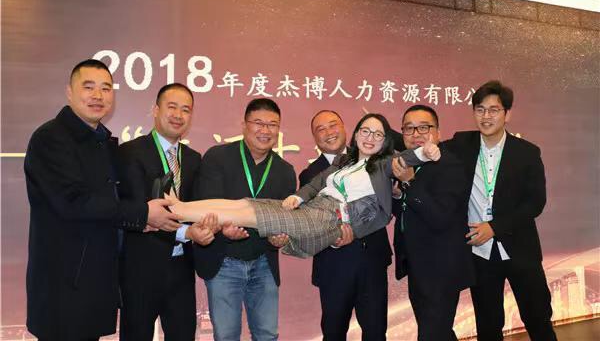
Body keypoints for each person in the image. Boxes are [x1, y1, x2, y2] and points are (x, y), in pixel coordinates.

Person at [23, 59, 179, 341]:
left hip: (94, 283)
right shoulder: (51, 138)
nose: (98, 95)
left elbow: (111, 205)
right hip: (64, 285)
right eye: (89, 87)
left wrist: (144, 220)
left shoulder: (102, 143)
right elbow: (73, 202)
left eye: (106, 88)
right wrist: (142, 214)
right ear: (69, 92)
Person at [171, 113, 440, 259]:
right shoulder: (344, 163)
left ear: (384, 141)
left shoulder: (382, 165)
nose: (371, 137)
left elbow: (409, 157)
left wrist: (427, 151)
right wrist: (298, 198)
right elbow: (316, 183)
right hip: (314, 209)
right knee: (245, 205)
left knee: (251, 215)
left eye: (378, 134)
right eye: (366, 131)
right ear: (357, 134)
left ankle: (177, 212)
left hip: (330, 218)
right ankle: (180, 207)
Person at [445, 81, 557, 341]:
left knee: (538, 319)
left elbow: (535, 203)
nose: (486, 116)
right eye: (480, 110)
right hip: (481, 254)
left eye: (494, 110)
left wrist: (494, 227)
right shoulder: (461, 144)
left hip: (521, 250)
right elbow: (425, 142)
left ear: (507, 114)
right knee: (488, 325)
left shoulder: (527, 153)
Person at [118, 83, 218, 340]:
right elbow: (136, 210)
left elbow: (197, 206)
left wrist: (208, 226)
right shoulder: (130, 152)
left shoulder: (193, 158)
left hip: (181, 268)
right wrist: (187, 232)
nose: (178, 115)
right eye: (172, 107)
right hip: (141, 268)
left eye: (186, 110)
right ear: (155, 110)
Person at [193, 98, 296, 341]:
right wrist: (222, 229)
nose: (265, 130)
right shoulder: (218, 157)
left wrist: (279, 238)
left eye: (272, 125)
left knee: (267, 334)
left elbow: (284, 220)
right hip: (224, 262)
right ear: (244, 125)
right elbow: (206, 204)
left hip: (264, 263)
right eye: (258, 123)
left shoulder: (285, 171)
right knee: (226, 335)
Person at [299, 110, 392, 341]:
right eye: (321, 129)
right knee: (334, 333)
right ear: (314, 137)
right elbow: (313, 219)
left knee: (376, 332)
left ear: (347, 128)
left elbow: (391, 205)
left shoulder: (375, 156)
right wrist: (334, 237)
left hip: (372, 262)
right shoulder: (311, 175)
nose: (329, 132)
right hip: (334, 265)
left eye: (333, 125)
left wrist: (398, 191)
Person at [391, 105, 474, 341]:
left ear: (437, 132)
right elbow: (407, 213)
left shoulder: (450, 165)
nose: (415, 134)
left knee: (432, 334)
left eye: (423, 127)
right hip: (418, 265)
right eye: (409, 128)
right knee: (439, 332)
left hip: (441, 268)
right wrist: (399, 195)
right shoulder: (409, 163)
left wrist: (410, 184)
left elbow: (441, 216)